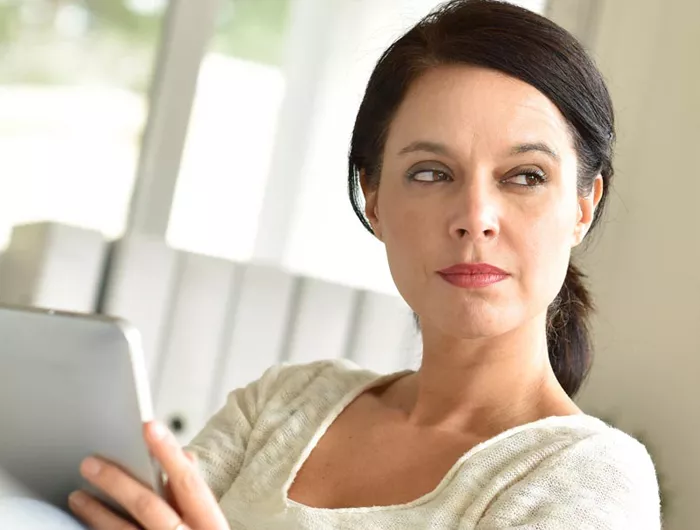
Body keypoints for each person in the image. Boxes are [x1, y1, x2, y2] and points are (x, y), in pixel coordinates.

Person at [65, 1, 662, 529]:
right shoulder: (280, 406)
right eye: (431, 173)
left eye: (525, 177)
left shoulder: (589, 479)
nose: (475, 216)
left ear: (584, 207)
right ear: (373, 198)